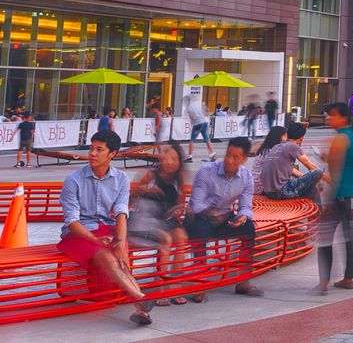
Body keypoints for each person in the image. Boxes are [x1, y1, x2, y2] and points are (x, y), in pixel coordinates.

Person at [58, 130, 150, 322]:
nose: (92, 153)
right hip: (77, 234)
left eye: (99, 149)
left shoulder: (121, 179)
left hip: (107, 230)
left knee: (121, 257)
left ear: (112, 154)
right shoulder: (73, 180)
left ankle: (140, 309)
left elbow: (121, 214)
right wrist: (94, 239)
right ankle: (140, 299)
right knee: (108, 256)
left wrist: (121, 242)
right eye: (91, 148)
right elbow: (72, 221)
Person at [188, 137, 264, 301]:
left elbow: (245, 206)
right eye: (228, 154)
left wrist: (242, 217)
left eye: (235, 157)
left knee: (249, 228)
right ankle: (199, 282)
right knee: (200, 229)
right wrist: (212, 212)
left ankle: (243, 281)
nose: (229, 160)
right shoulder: (207, 171)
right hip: (201, 218)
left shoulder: (246, 178)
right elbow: (195, 206)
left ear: (244, 159)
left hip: (224, 218)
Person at [130, 141, 189, 307]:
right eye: (167, 157)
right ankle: (160, 286)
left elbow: (180, 204)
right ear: (162, 158)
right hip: (144, 221)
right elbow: (129, 198)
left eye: (174, 159)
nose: (169, 162)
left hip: (165, 221)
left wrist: (178, 209)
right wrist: (145, 190)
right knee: (166, 239)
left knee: (181, 236)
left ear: (179, 163)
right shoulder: (151, 176)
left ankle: (175, 283)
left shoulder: (178, 179)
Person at [316, 102, 353, 294]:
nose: (329, 118)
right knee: (350, 235)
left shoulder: (339, 139)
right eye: (328, 114)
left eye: (333, 114)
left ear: (344, 117)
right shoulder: (351, 135)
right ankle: (348, 278)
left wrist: (328, 197)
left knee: (325, 234)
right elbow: (346, 162)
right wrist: (330, 159)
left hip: (342, 195)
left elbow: (335, 175)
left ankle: (324, 282)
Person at [260, 123, 326, 203]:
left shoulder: (276, 146)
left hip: (269, 191)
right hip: (282, 191)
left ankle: (316, 213)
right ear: (301, 138)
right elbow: (311, 166)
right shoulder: (293, 147)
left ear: (287, 134)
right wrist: (325, 178)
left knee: (313, 188)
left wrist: (309, 180)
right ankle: (318, 214)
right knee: (318, 172)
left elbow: (291, 171)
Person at [251, 126, 289, 192]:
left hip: (260, 187)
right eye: (285, 137)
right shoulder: (270, 153)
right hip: (262, 188)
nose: (286, 139)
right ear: (277, 138)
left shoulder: (267, 150)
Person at [188, 97, 212, 162]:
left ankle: (190, 157)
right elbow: (204, 113)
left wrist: (192, 121)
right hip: (205, 122)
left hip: (198, 123)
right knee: (207, 139)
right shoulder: (197, 106)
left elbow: (191, 115)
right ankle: (212, 155)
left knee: (192, 140)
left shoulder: (189, 107)